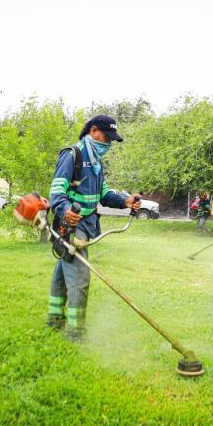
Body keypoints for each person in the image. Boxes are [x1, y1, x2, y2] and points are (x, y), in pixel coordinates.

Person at [47, 114, 141, 341]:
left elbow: (104, 194)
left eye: (111, 139)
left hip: (88, 225)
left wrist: (125, 201)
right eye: (106, 137)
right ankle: (75, 333)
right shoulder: (72, 156)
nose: (108, 143)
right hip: (70, 226)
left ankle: (54, 320)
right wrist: (66, 211)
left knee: (63, 271)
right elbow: (57, 192)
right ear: (93, 131)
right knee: (80, 278)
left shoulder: (97, 163)